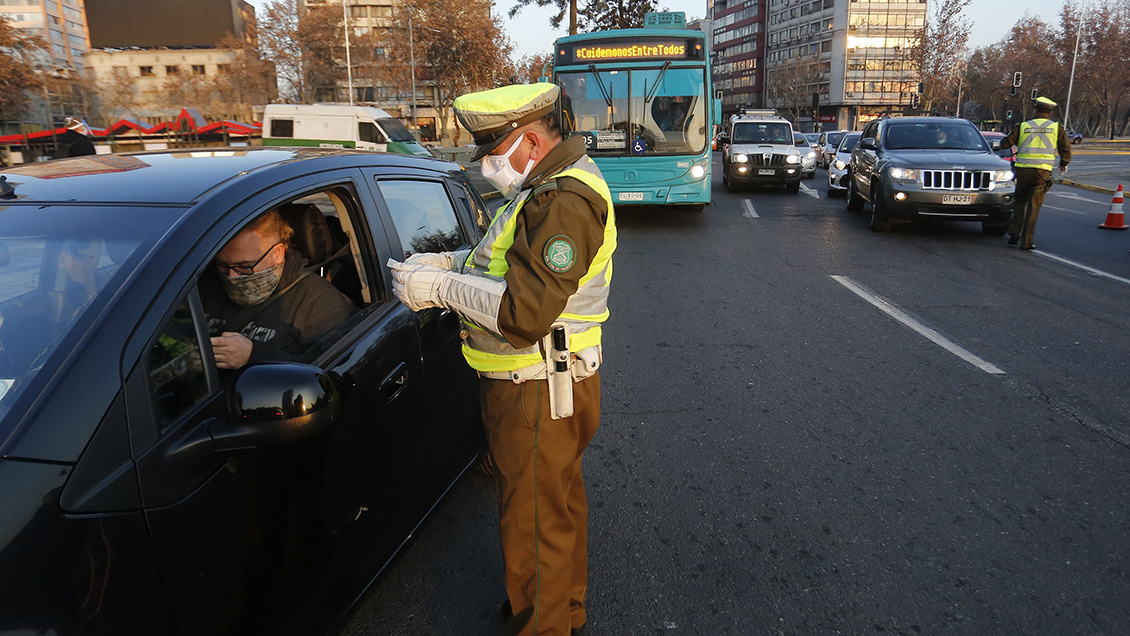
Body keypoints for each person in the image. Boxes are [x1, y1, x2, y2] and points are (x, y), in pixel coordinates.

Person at [388, 82, 615, 636]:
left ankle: (543, 624)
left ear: (531, 141)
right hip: (549, 381)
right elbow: (502, 263)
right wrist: (447, 261)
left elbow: (523, 310)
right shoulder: (543, 186)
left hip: (536, 386)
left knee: (533, 522)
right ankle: (563, 609)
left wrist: (438, 288)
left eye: (492, 152)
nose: (486, 164)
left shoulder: (562, 199)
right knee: (556, 507)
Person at [201, 210, 355, 369]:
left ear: (277, 254)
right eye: (223, 265)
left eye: (244, 267)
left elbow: (329, 372)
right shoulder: (207, 286)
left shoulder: (320, 301)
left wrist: (254, 356)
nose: (231, 276)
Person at [999, 96, 1072, 250]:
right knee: (1034, 206)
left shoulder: (1023, 126)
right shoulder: (1056, 128)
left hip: (1022, 170)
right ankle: (1027, 242)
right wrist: (1064, 163)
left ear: (1035, 110)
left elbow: (1005, 143)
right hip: (1042, 172)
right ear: (1050, 112)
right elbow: (1065, 148)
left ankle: (1013, 232)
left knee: (1019, 201)